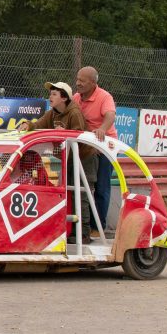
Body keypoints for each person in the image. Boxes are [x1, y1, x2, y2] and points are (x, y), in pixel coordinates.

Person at [18, 81, 96, 243]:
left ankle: (84, 234)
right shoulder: (52, 113)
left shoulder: (74, 113)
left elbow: (79, 136)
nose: (50, 97)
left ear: (64, 98)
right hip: (69, 158)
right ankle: (69, 231)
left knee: (81, 194)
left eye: (54, 94)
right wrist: (28, 125)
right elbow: (39, 124)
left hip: (84, 158)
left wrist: (67, 133)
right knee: (67, 192)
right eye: (50, 93)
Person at [74, 66, 117, 234]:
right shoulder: (76, 98)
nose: (78, 83)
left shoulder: (104, 97)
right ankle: (80, 226)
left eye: (82, 81)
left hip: (105, 147)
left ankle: (98, 227)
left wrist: (102, 129)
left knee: (101, 187)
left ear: (93, 83)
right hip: (87, 147)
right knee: (81, 184)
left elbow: (110, 115)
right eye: (77, 79)